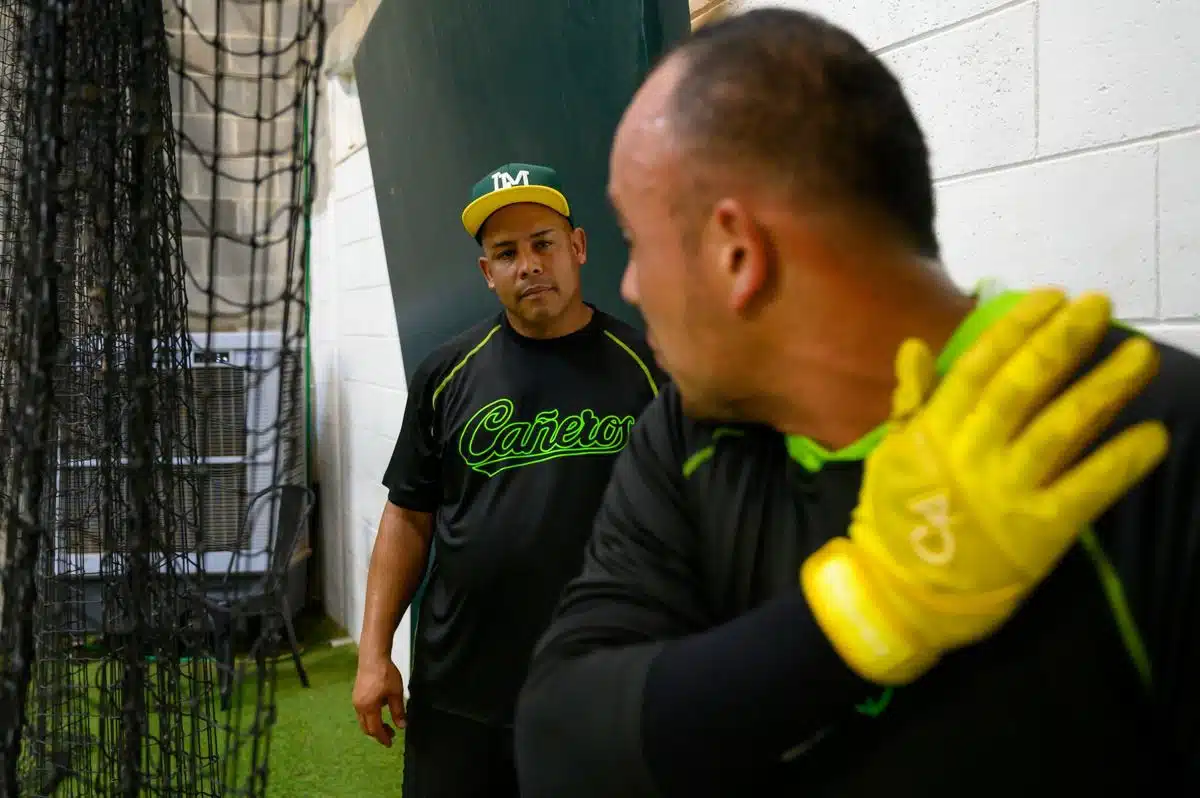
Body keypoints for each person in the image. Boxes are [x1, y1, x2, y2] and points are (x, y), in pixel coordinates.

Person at [513, 9, 1199, 797]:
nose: (628, 288)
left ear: (736, 254)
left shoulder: (1145, 442)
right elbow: (561, 744)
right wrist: (873, 604)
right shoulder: (685, 435)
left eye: (634, 239)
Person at [351, 162, 664, 797]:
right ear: (486, 273)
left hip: (601, 685)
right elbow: (409, 517)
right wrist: (373, 652)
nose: (529, 265)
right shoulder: (445, 374)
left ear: (576, 247)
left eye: (543, 243)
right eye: (506, 252)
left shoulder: (651, 372)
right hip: (462, 690)